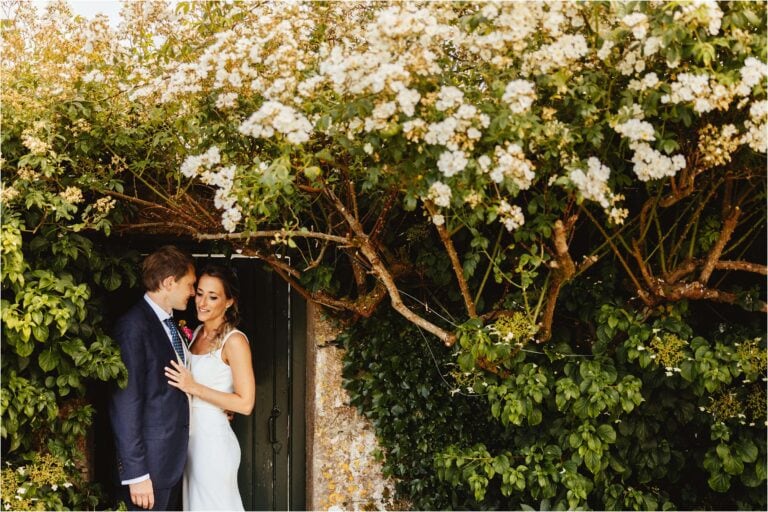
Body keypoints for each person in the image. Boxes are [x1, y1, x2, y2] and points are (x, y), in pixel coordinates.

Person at [109, 245, 197, 510]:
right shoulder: (133, 328)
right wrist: (136, 474)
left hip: (171, 462)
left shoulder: (170, 324)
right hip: (149, 469)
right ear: (170, 283)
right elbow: (125, 403)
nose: (193, 293)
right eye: (190, 285)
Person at [164, 263, 256, 511]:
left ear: (228, 302)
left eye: (213, 296)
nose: (202, 302)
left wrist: (194, 388)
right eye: (200, 292)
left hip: (213, 444)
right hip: (191, 440)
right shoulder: (196, 333)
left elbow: (245, 404)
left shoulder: (234, 341)